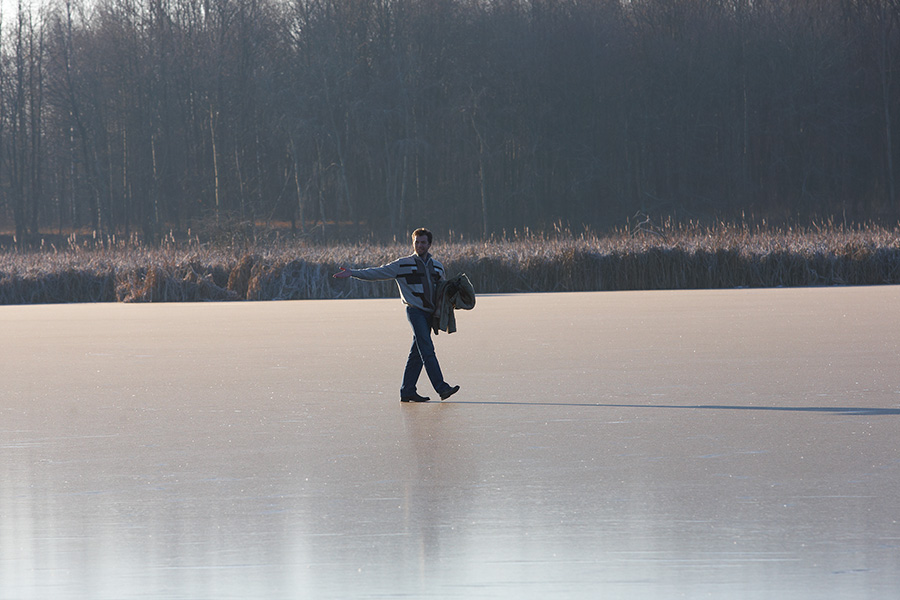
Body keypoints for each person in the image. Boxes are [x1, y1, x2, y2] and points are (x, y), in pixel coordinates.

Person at [333, 228, 460, 403]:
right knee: (427, 348)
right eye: (417, 242)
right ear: (413, 243)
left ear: (429, 244)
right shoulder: (403, 264)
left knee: (417, 353)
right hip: (415, 311)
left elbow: (442, 290)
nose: (420, 245)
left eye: (423, 242)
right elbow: (377, 272)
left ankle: (407, 391)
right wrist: (353, 273)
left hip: (430, 314)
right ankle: (442, 387)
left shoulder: (438, 267)